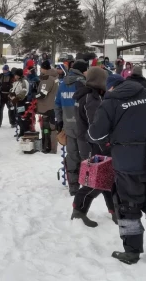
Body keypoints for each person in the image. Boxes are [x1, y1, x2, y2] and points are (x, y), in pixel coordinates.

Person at [89, 69, 146, 265]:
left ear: (111, 87)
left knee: (128, 206)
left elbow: (96, 135)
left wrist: (118, 139)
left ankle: (132, 251)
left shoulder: (110, 102)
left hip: (126, 162)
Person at [71, 69, 118, 227]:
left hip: (90, 141)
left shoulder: (87, 94)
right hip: (93, 143)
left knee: (107, 177)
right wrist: (105, 144)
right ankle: (78, 210)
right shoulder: (91, 97)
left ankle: (114, 210)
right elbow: (96, 125)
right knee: (95, 180)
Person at [55, 60, 88, 195]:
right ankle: (87, 185)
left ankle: (73, 186)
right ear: (82, 70)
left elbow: (57, 104)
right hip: (82, 127)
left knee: (72, 155)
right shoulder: (83, 84)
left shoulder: (63, 84)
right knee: (86, 156)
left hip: (68, 125)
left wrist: (59, 121)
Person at [36, 60, 60, 154]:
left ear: (43, 68)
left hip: (46, 106)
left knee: (46, 128)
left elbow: (43, 94)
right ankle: (53, 147)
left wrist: (35, 96)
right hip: (54, 105)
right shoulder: (55, 77)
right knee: (52, 127)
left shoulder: (47, 79)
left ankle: (47, 146)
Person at [9, 69, 30, 137]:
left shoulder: (24, 82)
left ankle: (23, 131)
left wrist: (17, 98)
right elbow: (13, 90)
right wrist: (11, 94)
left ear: (18, 75)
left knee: (21, 116)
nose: (14, 76)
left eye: (15, 75)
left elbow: (24, 91)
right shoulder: (16, 82)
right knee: (18, 117)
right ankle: (21, 131)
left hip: (22, 102)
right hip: (17, 102)